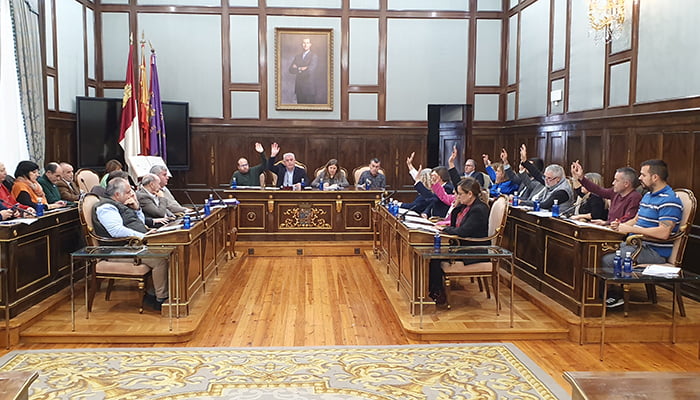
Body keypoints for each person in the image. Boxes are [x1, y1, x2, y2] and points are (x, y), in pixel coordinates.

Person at [600, 159, 683, 308]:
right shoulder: (648, 196)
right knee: (597, 251)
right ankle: (598, 294)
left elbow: (664, 232)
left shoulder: (670, 200)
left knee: (607, 259)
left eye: (643, 175)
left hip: (653, 251)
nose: (639, 178)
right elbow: (636, 220)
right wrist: (621, 225)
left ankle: (614, 296)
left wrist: (631, 230)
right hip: (636, 244)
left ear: (655, 177)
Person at [92, 177, 169, 310]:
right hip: (118, 250)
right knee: (160, 258)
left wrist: (137, 209)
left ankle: (153, 293)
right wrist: (144, 236)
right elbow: (116, 231)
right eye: (128, 192)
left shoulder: (123, 204)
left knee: (169, 249)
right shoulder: (106, 207)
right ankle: (161, 299)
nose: (131, 194)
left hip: (133, 245)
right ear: (117, 194)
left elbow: (139, 223)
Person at [428, 177, 490, 305]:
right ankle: (435, 290)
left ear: (470, 194)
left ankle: (438, 293)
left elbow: (462, 231)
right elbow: (456, 225)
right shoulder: (465, 206)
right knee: (433, 254)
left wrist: (445, 229)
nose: (457, 196)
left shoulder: (479, 209)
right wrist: (455, 206)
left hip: (473, 250)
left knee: (435, 257)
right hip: (463, 245)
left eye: (460, 194)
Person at [570, 161, 642, 225]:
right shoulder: (614, 192)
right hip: (611, 227)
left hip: (621, 231)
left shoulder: (634, 197)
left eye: (616, 180)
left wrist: (608, 223)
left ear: (626, 184)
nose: (613, 183)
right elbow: (598, 190)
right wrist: (581, 178)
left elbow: (628, 219)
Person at [288, 37, 319, 104]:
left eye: (307, 43)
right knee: (300, 108)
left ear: (310, 44)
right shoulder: (297, 56)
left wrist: (297, 68)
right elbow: (291, 70)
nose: (305, 45)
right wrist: (301, 68)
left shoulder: (314, 56)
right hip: (299, 88)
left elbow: (309, 71)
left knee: (310, 109)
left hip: (309, 89)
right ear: (302, 44)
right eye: (304, 43)